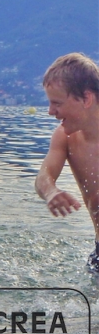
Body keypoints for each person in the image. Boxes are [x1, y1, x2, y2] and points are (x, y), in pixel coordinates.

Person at [35, 52, 99, 271]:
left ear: (86, 99)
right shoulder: (64, 137)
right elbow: (43, 176)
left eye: (57, 103)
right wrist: (51, 192)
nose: (50, 112)